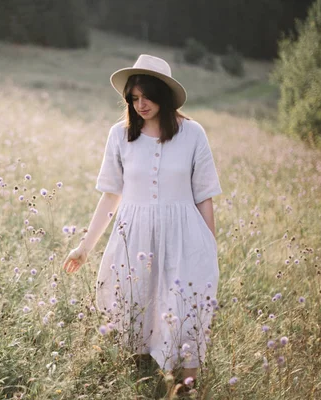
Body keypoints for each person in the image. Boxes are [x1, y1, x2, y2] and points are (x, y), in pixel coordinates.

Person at [62, 54, 223, 395]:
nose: (140, 104)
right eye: (133, 99)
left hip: (184, 237)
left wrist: (210, 248)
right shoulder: (120, 136)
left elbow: (204, 196)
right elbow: (110, 196)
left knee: (184, 310)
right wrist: (84, 247)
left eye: (146, 96)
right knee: (135, 309)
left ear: (163, 95)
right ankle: (139, 385)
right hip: (134, 238)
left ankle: (189, 388)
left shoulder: (192, 133)